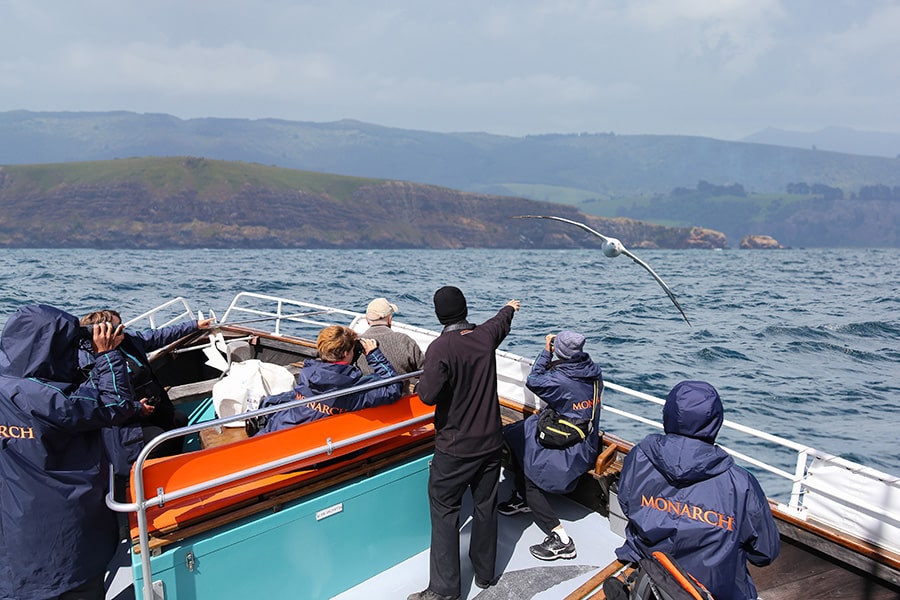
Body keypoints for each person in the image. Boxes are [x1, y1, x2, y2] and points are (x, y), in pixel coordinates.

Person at [0, 304, 143, 600]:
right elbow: (117, 405)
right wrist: (106, 354)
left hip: (12, 540)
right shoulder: (49, 398)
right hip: (64, 545)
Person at [614, 380, 780, 600]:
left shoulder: (639, 457)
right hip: (713, 590)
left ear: (668, 414)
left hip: (651, 577)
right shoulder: (741, 484)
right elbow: (764, 553)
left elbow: (627, 504)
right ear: (716, 421)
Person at [408, 286, 520, 600]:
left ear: (438, 314)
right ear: (465, 309)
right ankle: (485, 574)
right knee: (485, 506)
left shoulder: (440, 348)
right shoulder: (485, 337)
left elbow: (427, 395)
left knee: (445, 512)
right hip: (490, 443)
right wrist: (509, 307)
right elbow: (501, 321)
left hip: (455, 449)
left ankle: (444, 591)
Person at [498, 329, 603, 561]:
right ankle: (522, 497)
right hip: (585, 439)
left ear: (559, 351)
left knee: (530, 477)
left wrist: (546, 352)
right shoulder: (594, 372)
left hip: (570, 450)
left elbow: (534, 380)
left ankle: (561, 539)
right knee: (513, 434)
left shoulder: (560, 379)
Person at [80, 309, 214, 461]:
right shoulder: (88, 361)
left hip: (150, 406)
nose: (123, 328)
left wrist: (194, 325)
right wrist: (136, 408)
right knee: (157, 439)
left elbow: (160, 336)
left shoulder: (129, 342)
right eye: (118, 326)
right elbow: (102, 399)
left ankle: (173, 462)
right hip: (124, 419)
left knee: (179, 419)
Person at [257, 324, 403, 433]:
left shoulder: (308, 373)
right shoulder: (353, 389)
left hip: (279, 429)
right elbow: (394, 387)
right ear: (346, 353)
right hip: (314, 447)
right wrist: (373, 354)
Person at [355, 297, 424, 393]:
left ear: (367, 320)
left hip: (367, 402)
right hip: (401, 402)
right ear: (389, 319)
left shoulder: (356, 344)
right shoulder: (404, 340)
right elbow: (424, 370)